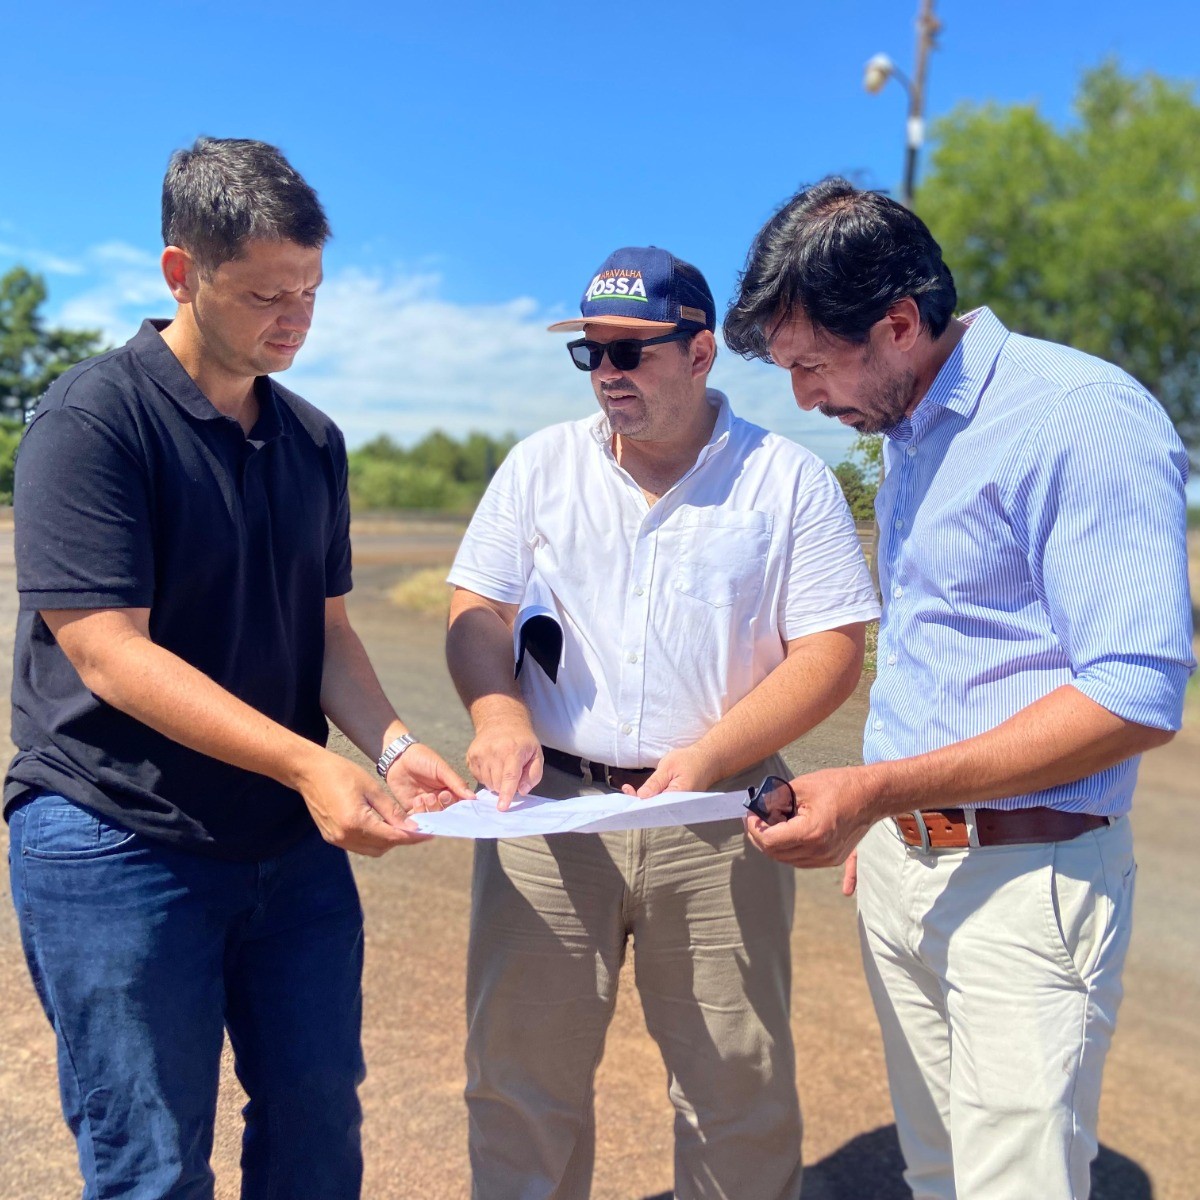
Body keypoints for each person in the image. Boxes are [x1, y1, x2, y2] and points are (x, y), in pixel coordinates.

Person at [5, 136, 472, 1200]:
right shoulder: (93, 422)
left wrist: (392, 747)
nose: (295, 317)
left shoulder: (312, 441)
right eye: (267, 293)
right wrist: (309, 769)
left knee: (317, 1131)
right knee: (153, 1162)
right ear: (181, 272)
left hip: (284, 849)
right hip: (117, 836)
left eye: (310, 290)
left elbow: (328, 637)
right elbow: (108, 652)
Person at [723, 177, 1196, 1200]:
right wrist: (895, 819)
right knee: (938, 1175)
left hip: (1028, 888)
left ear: (899, 324)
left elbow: (1133, 693)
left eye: (809, 365)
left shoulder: (1079, 419)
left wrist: (882, 793)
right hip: (910, 865)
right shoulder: (911, 437)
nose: (803, 397)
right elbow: (941, 647)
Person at [444, 245, 880, 1199]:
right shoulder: (540, 467)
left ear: (701, 353)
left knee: (737, 1088)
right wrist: (498, 709)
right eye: (591, 354)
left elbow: (833, 649)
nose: (607, 375)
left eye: (631, 352)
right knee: (520, 1084)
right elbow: (474, 607)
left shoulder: (787, 480)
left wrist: (712, 754)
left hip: (721, 818)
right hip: (549, 814)